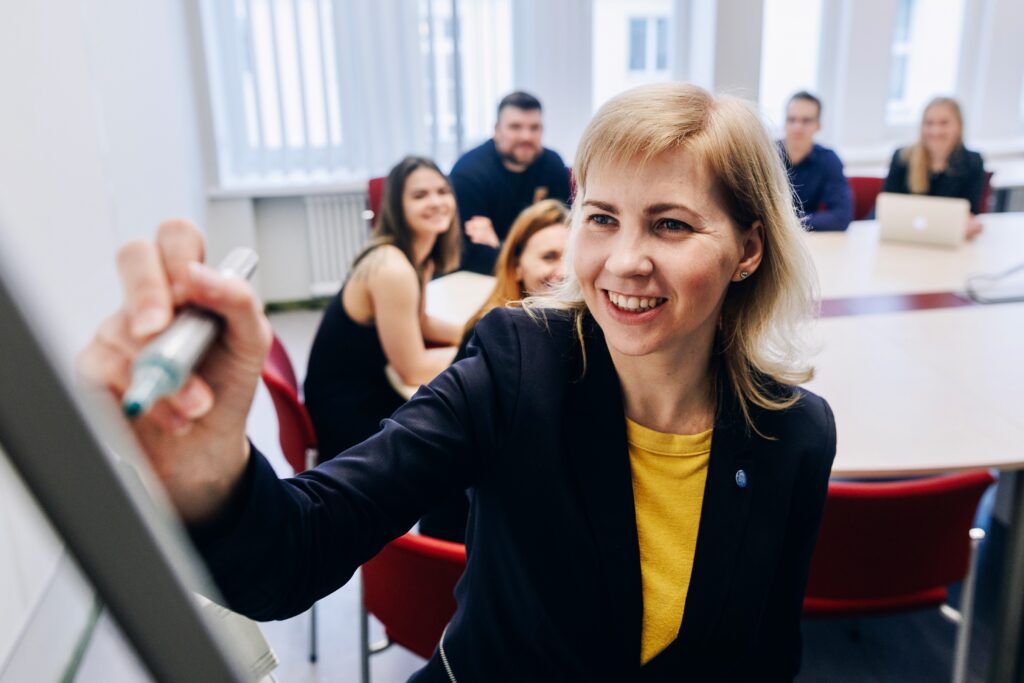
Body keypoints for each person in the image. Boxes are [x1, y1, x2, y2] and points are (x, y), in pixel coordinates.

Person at [79, 82, 836, 681]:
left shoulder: (795, 434)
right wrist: (211, 472)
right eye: (601, 217)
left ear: (747, 249)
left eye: (670, 224)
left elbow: (767, 657)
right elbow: (293, 554)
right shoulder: (518, 364)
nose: (622, 259)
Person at [419, 198, 569, 542]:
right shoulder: (492, 337)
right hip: (471, 530)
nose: (564, 271)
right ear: (516, 266)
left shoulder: (564, 332)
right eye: (549, 257)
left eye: (572, 258)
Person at [303, 156, 462, 462]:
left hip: (373, 383)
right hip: (349, 409)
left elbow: (422, 321)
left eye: (443, 192)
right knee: (460, 424)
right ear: (397, 206)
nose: (436, 202)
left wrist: (474, 329)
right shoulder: (392, 267)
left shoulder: (420, 256)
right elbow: (412, 367)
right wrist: (479, 349)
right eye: (420, 195)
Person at [449, 91, 571, 274]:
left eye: (534, 128)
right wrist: (528, 260)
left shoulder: (552, 164)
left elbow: (566, 231)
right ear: (497, 130)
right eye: (515, 127)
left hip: (545, 273)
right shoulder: (469, 173)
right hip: (481, 278)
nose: (526, 137)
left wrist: (499, 247)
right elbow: (474, 254)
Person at [883, 96, 986, 239]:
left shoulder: (972, 162)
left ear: (959, 126)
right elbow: (888, 207)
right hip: (905, 238)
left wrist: (969, 225)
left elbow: (969, 211)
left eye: (944, 123)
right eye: (929, 123)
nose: (935, 131)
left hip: (948, 240)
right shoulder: (902, 157)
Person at [778, 91, 853, 231]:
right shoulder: (765, 155)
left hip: (805, 237)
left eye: (806, 121)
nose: (797, 127)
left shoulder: (828, 159)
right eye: (792, 120)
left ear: (818, 125)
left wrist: (790, 223)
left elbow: (841, 217)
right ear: (784, 123)